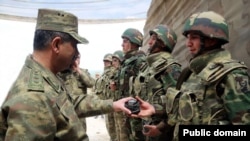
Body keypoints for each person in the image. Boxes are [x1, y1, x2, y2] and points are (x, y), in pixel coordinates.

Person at [0, 8, 135, 141]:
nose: (76, 53)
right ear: (56, 44)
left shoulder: (47, 78)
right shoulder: (33, 97)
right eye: (74, 45)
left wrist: (113, 104)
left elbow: (69, 104)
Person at [133, 11, 250, 141]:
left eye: (194, 38)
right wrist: (159, 125)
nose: (188, 43)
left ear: (211, 39)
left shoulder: (231, 74)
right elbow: (182, 113)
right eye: (188, 38)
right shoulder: (190, 73)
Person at [133, 25, 181, 141]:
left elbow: (177, 105)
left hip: (163, 132)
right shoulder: (148, 67)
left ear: (163, 43)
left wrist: (161, 127)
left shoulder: (170, 67)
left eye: (154, 39)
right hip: (148, 126)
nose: (149, 42)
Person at [114, 28, 146, 141]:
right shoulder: (126, 62)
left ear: (134, 42)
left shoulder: (140, 61)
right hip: (127, 109)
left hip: (136, 111)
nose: (122, 44)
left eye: (125, 41)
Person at [57, 51, 95, 135]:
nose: (76, 60)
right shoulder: (61, 73)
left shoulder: (83, 72)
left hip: (80, 110)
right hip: (65, 110)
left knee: (81, 134)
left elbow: (91, 83)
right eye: (74, 57)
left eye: (78, 58)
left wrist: (78, 70)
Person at [110, 50, 124, 141]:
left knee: (123, 134)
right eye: (113, 61)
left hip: (123, 108)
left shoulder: (123, 73)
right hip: (117, 106)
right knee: (117, 131)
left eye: (115, 60)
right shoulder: (115, 73)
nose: (113, 63)